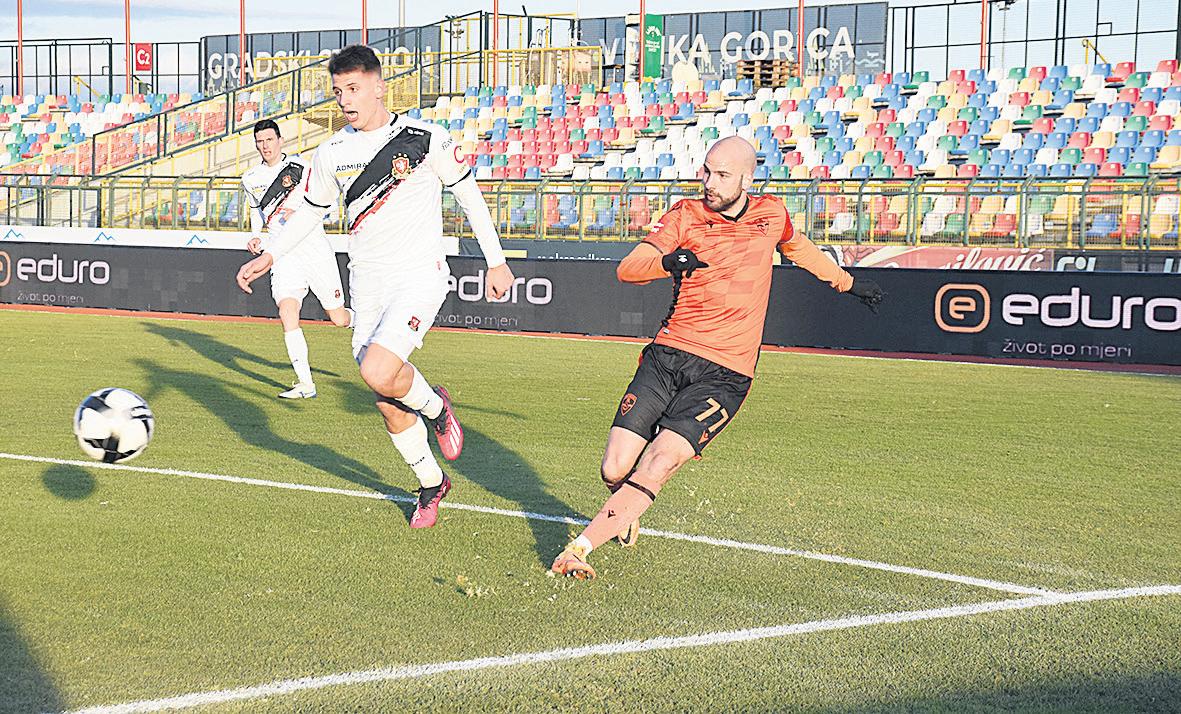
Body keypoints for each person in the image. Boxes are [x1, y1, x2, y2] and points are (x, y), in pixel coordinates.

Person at [552, 136, 884, 579]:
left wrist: (847, 283)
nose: (709, 182)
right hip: (668, 357)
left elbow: (800, 249)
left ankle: (579, 548)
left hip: (726, 374)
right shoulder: (684, 215)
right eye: (707, 171)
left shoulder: (772, 214)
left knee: (660, 461)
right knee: (614, 468)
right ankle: (624, 510)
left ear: (747, 179)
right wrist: (668, 263)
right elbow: (628, 269)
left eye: (722, 175)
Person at [235, 45, 515, 528]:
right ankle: (432, 483)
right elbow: (310, 213)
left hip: (418, 275)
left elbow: (468, 195)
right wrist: (271, 255)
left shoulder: (424, 138)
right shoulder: (331, 152)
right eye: (338, 91)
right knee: (386, 399)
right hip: (367, 284)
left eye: (354, 88)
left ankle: (436, 407)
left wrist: (497, 261)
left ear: (380, 87)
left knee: (378, 370)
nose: (346, 100)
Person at [241, 119, 353, 399]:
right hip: (282, 254)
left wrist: (302, 213)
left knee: (338, 318)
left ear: (280, 141)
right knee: (287, 310)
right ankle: (305, 384)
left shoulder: (301, 167)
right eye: (260, 141)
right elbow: (256, 209)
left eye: (269, 140)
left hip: (313, 248)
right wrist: (256, 235)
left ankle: (369, 321)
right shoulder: (250, 178)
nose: (265, 146)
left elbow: (328, 201)